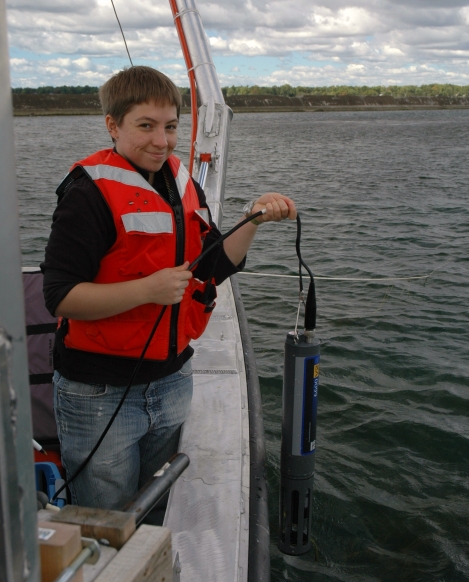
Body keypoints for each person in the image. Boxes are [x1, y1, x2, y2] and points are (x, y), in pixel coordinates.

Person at [42, 65, 296, 513]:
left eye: (172, 127)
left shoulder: (182, 181)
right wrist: (148, 290)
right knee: (108, 519)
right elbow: (60, 297)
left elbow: (213, 265)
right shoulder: (87, 195)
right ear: (112, 125)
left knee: (156, 505)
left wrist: (253, 219)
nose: (162, 141)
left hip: (172, 378)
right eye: (146, 126)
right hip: (99, 392)